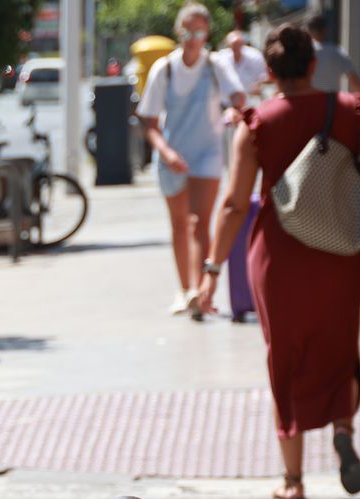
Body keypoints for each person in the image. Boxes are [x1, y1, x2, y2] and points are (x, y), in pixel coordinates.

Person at [195, 24, 360, 499]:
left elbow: (233, 206)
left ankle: (293, 479)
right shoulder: (351, 111)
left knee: (284, 356)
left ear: (269, 72)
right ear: (313, 64)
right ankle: (343, 431)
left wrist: (211, 270)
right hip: (343, 250)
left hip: (279, 254)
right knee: (339, 344)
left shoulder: (256, 123)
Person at [138, 4, 247, 319]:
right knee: (179, 223)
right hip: (172, 153)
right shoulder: (164, 69)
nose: (193, 37)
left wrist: (234, 109)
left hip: (207, 152)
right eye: (187, 30)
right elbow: (149, 121)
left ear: (207, 33)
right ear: (178, 32)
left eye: (199, 30)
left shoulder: (215, 65)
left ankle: (200, 292)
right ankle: (184, 288)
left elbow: (237, 96)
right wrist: (166, 152)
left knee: (199, 222)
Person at [307, 17, 360, 95]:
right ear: (326, 30)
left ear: (308, 31)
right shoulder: (338, 52)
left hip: (309, 99)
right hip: (330, 100)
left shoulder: (304, 52)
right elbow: (355, 82)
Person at [216, 30, 270, 103]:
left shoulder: (255, 56)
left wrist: (258, 85)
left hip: (251, 100)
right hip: (227, 101)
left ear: (243, 43)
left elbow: (265, 77)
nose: (236, 48)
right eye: (233, 45)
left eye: (238, 44)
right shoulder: (221, 58)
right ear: (228, 45)